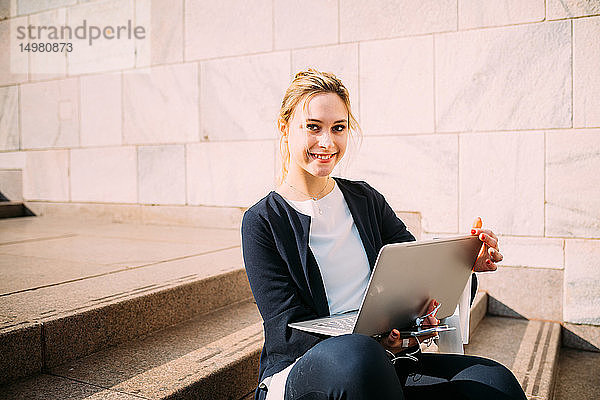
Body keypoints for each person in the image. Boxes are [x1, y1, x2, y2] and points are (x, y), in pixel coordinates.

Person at [241, 69, 526, 400]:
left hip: (386, 362)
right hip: (308, 371)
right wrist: (372, 342)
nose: (327, 142)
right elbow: (289, 328)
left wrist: (461, 265)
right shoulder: (262, 221)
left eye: (338, 128)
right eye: (313, 127)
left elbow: (416, 277)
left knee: (494, 383)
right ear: (284, 127)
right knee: (360, 359)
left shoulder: (364, 199)